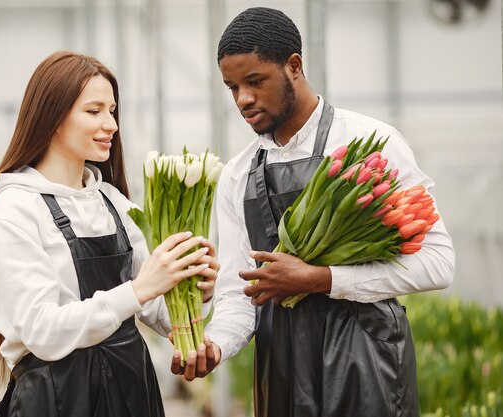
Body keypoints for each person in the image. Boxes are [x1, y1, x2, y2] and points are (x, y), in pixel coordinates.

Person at [171, 7, 455, 417]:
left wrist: (322, 279)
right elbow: (238, 294)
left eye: (255, 81)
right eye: (232, 87)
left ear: (294, 67)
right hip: (281, 368)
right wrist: (214, 343)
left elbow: (438, 263)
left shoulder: (371, 142)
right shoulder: (236, 175)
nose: (243, 99)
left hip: (367, 360)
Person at [0, 51, 219, 417]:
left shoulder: (113, 203)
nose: (111, 124)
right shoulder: (14, 211)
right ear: (52, 118)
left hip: (133, 393)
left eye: (112, 110)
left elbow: (157, 314)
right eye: (94, 111)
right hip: (59, 400)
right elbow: (43, 331)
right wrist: (139, 289)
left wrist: (195, 289)